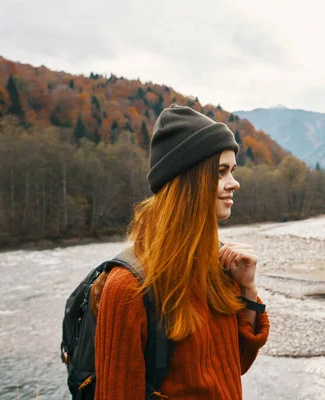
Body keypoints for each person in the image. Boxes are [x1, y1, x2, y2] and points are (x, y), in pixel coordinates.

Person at [94, 104, 269, 399]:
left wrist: (248, 289)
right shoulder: (128, 288)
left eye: (233, 171)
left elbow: (235, 365)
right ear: (189, 181)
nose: (234, 183)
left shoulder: (218, 268)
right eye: (221, 172)